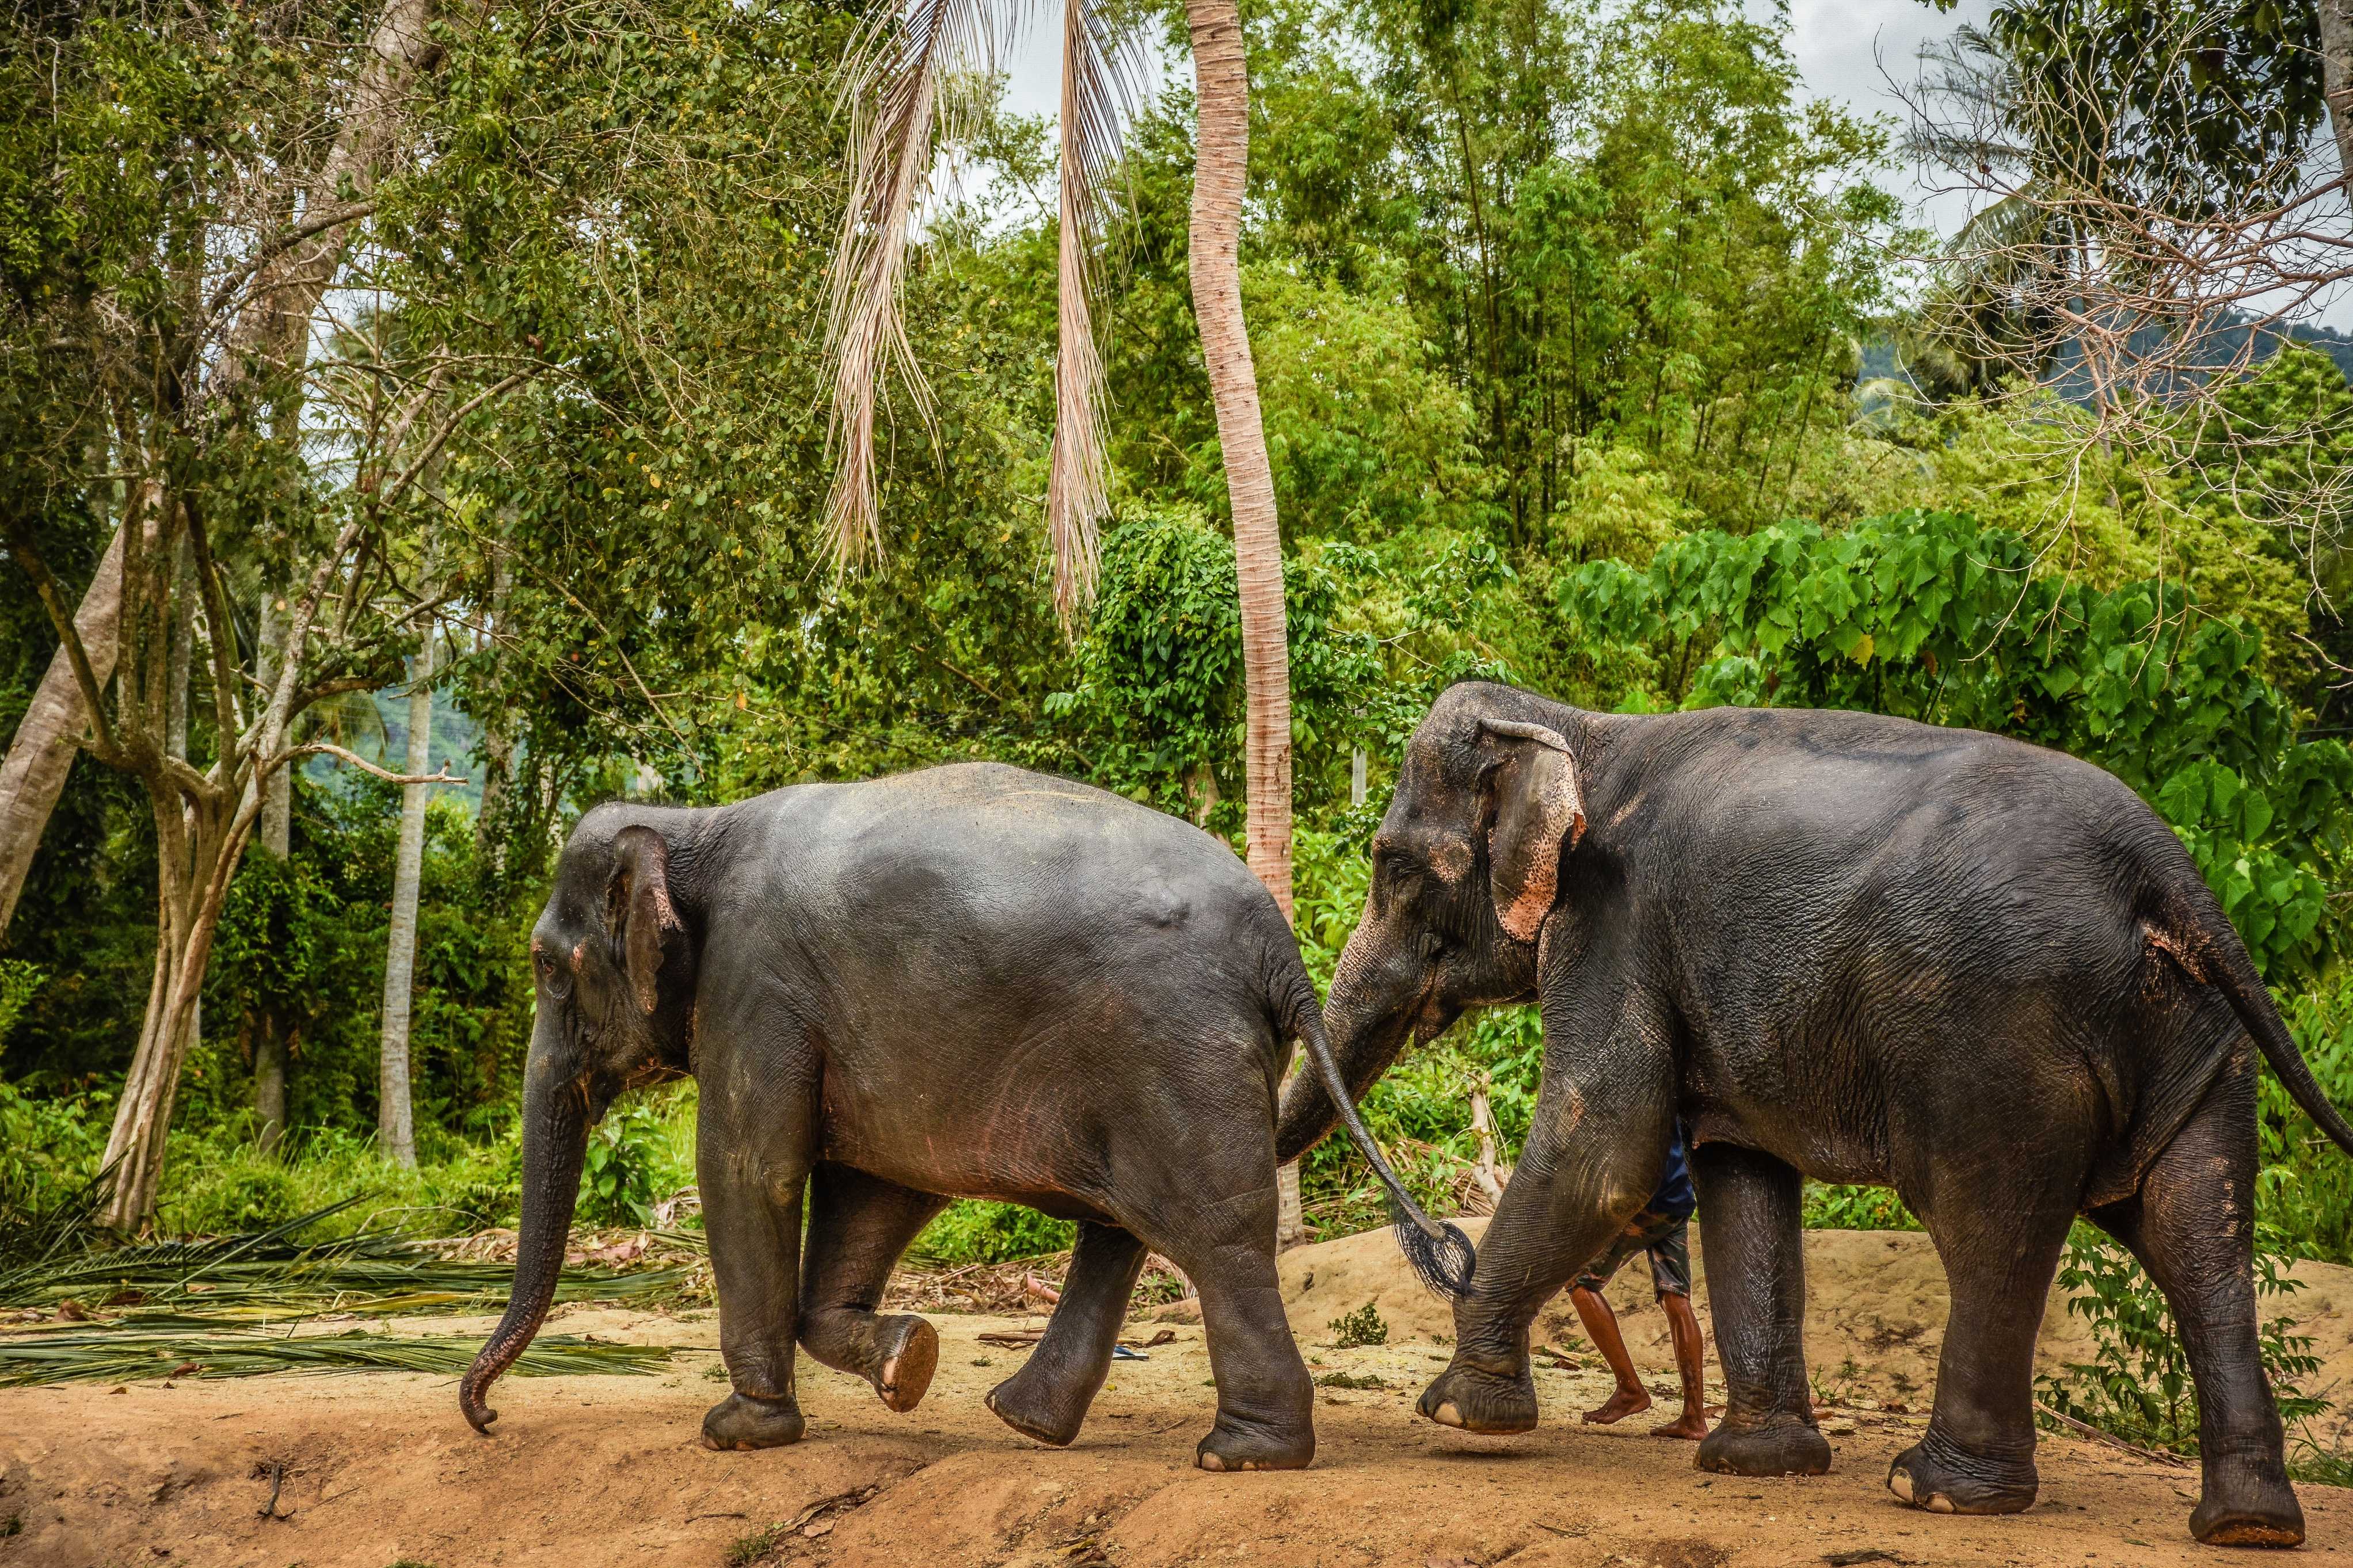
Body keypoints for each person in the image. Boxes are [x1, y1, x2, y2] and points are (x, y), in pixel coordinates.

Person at [1565, 1123, 1708, 1440]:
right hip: (1678, 1198)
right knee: (1676, 1298)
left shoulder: (1629, 1086)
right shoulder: (1673, 1087)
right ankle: (1694, 1418)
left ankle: (1630, 1390)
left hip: (1644, 1201)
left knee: (1580, 1283)